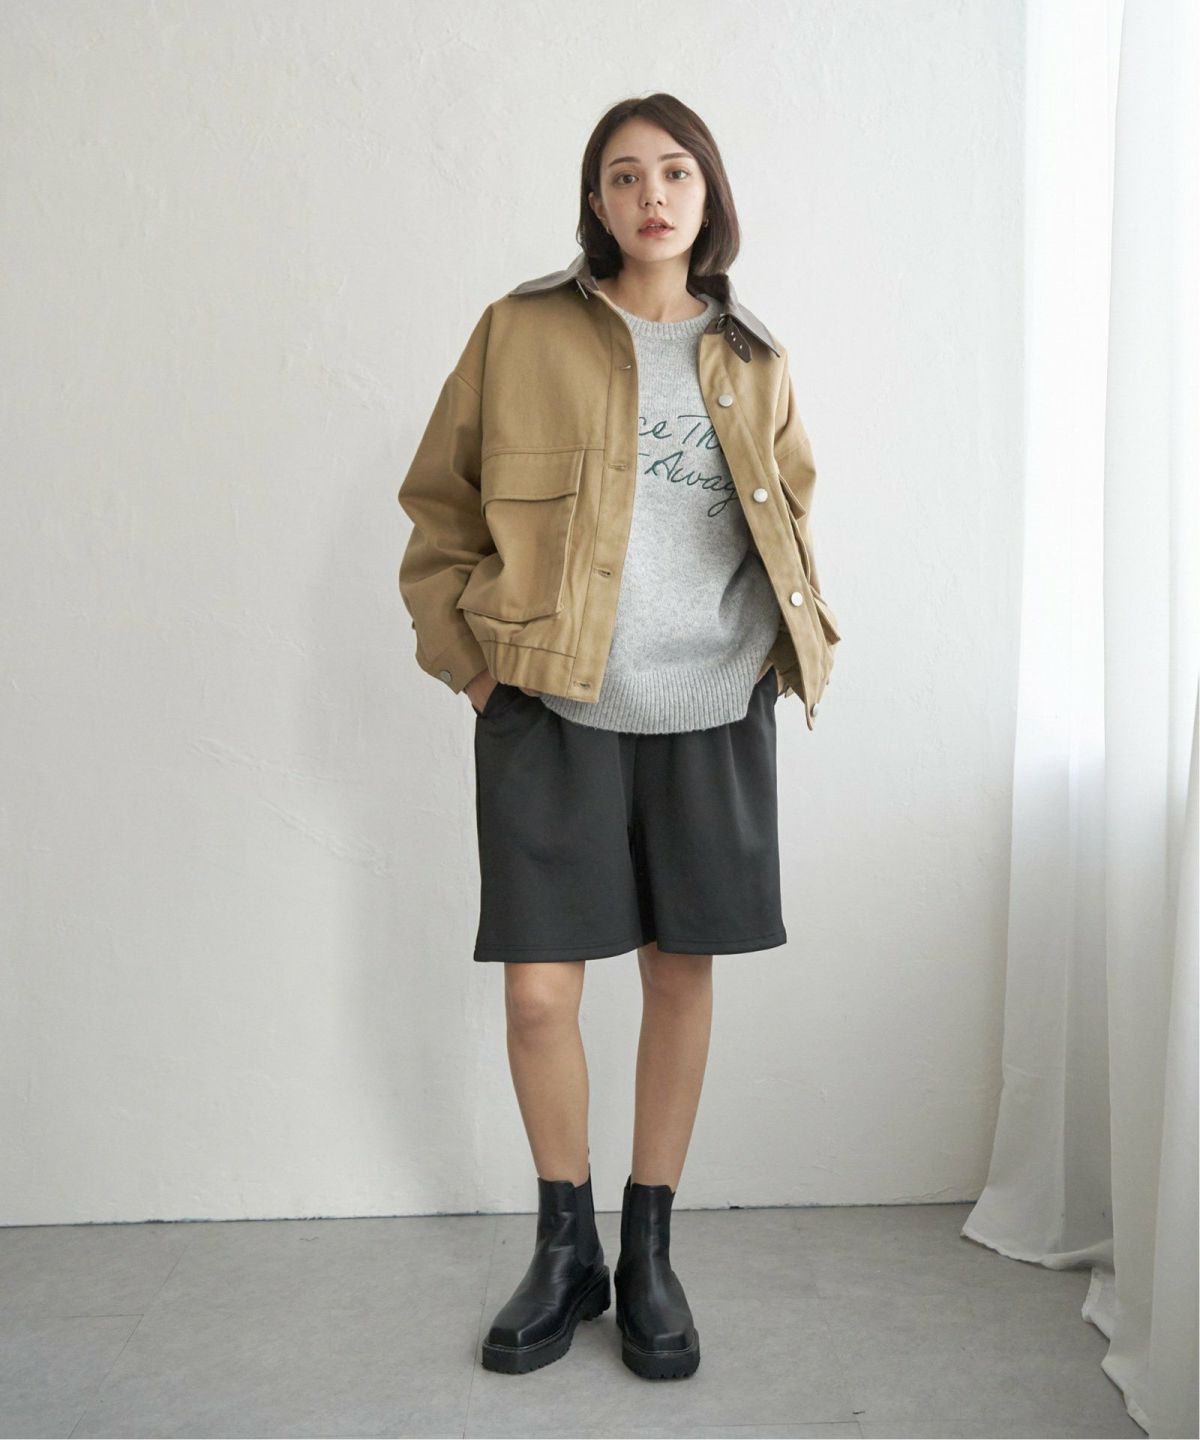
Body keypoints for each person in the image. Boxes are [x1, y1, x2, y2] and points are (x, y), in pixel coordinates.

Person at [397, 92, 841, 1381]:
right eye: (625, 175)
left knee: (678, 979)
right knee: (541, 993)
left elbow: (791, 517)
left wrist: (777, 658)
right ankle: (564, 1247)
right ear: (596, 202)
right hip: (550, 702)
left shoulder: (753, 356)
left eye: (676, 172)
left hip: (710, 708)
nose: (653, 195)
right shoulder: (521, 329)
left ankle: (648, 1251)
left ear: (709, 195)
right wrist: (474, 666)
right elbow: (439, 508)